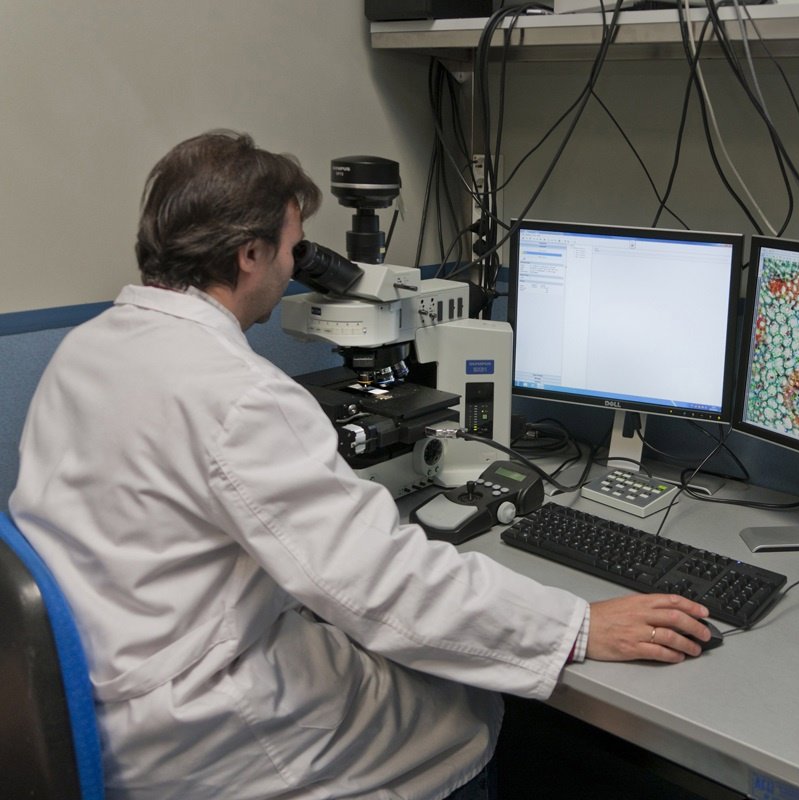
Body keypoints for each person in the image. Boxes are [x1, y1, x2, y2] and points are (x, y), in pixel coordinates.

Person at [8, 130, 712, 800]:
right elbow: (379, 582)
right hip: (203, 722)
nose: (294, 267)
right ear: (250, 254)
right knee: (463, 710)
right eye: (291, 247)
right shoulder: (237, 394)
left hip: (102, 695)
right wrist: (575, 627)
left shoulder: (88, 348)